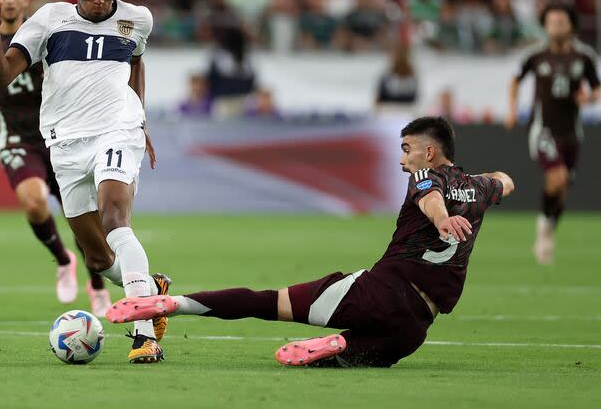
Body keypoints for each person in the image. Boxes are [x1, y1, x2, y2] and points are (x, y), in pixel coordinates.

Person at [107, 117, 514, 368]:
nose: (402, 159)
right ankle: (339, 345)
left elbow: (429, 199)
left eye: (407, 150)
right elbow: (505, 180)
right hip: (416, 326)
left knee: (268, 302)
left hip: (380, 292)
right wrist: (477, 189)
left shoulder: (424, 178)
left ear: (429, 152)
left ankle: (173, 304)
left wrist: (443, 219)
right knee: (373, 354)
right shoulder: (478, 188)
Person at [0, 0, 170, 363]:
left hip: (116, 131)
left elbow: (136, 63)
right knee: (95, 254)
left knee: (115, 219)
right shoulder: (49, 20)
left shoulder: (137, 18)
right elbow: (4, 76)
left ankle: (144, 333)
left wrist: (141, 119)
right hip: (64, 143)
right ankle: (149, 287)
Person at [0, 0, 111, 316]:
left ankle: (97, 285)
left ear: (25, 0)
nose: (9, 0)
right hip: (16, 139)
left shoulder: (46, 34)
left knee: (84, 219)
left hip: (61, 138)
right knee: (34, 201)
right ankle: (61, 258)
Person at [505, 3, 601, 265]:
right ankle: (543, 230)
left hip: (571, 132)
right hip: (543, 129)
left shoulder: (584, 57)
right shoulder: (536, 55)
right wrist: (512, 110)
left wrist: (589, 98)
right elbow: (515, 80)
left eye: (561, 22)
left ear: (571, 25)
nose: (556, 27)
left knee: (561, 190)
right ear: (545, 26)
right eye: (551, 22)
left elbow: (597, 88)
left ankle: (548, 226)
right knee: (557, 177)